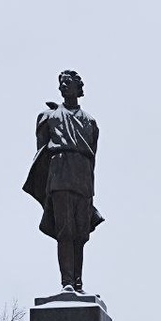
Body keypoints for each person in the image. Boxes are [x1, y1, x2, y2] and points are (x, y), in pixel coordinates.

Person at [21, 69, 103, 293]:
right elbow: (41, 154)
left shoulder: (91, 122)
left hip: (83, 178)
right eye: (61, 83)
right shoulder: (47, 117)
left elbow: (93, 154)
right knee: (65, 231)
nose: (63, 86)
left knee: (80, 234)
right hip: (60, 175)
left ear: (78, 87)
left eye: (67, 82)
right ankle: (66, 282)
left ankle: (78, 283)